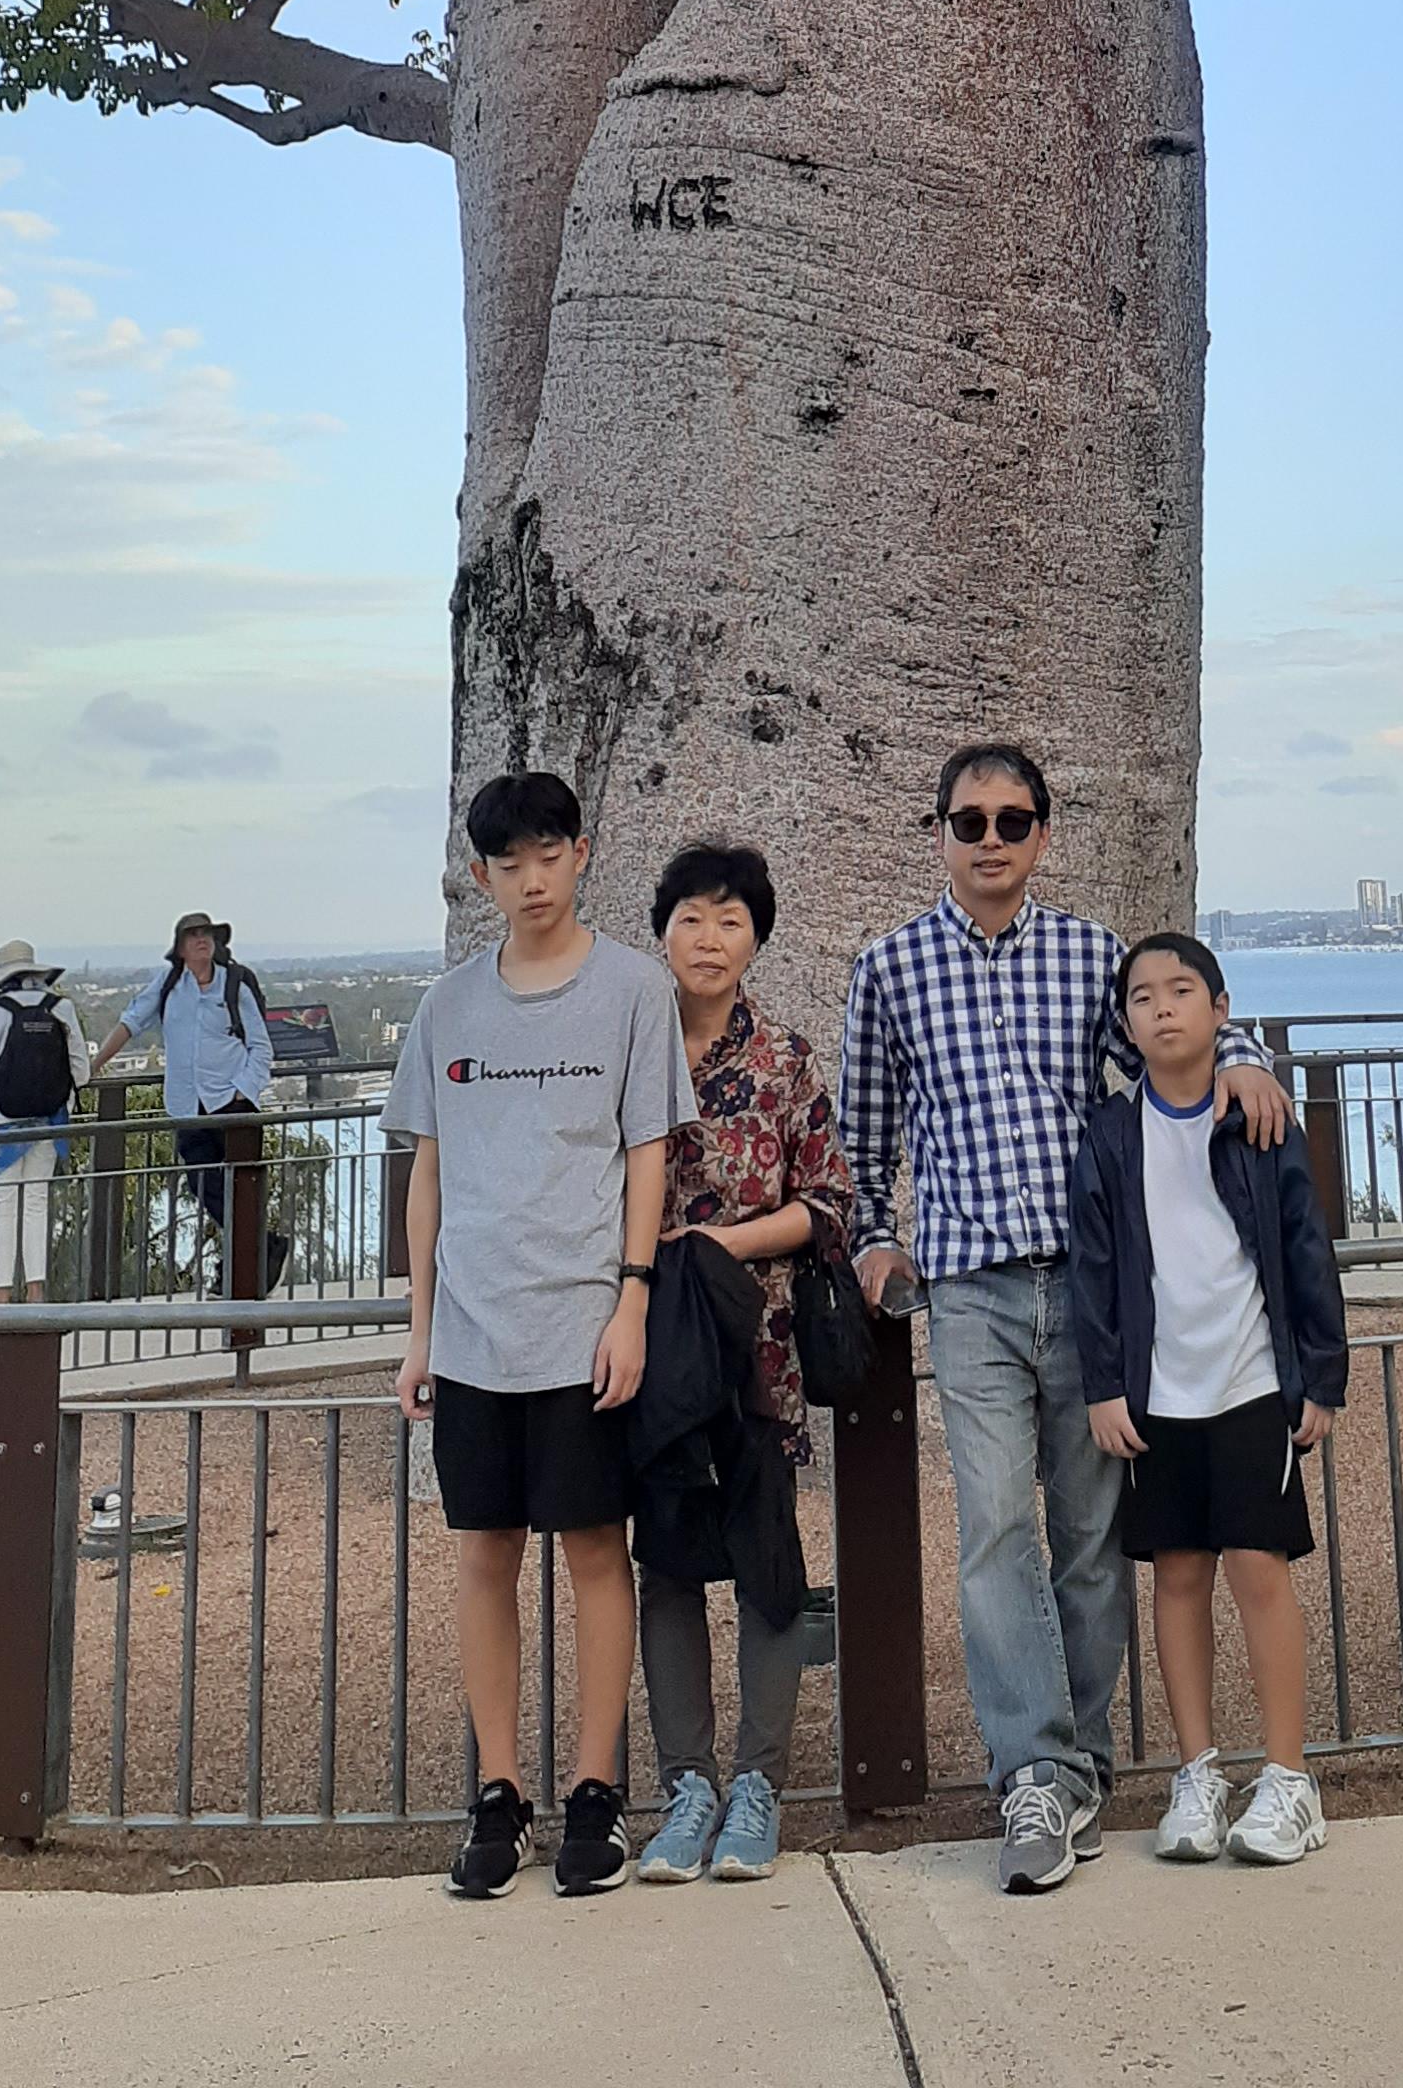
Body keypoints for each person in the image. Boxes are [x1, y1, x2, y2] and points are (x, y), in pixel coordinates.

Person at [838, 741, 1293, 1893]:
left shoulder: (1093, 958)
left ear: (1042, 834)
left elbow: (1170, 1029)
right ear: (939, 832)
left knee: (1092, 1542)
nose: (990, 839)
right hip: (973, 1292)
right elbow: (863, 1141)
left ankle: (1083, 1766)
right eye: (969, 821)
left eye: (1012, 820)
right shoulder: (888, 968)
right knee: (996, 1531)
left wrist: (1244, 1055)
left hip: (1095, 1287)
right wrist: (875, 1239)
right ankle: (1034, 1772)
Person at [388, 772, 691, 1904]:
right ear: (481, 876)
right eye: (508, 862)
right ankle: (499, 1792)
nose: (532, 879)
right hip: (472, 1331)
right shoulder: (447, 1008)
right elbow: (428, 1174)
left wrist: (632, 1301)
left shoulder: (633, 989)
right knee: (484, 1554)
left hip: (584, 1323)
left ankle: (596, 1791)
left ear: (581, 853)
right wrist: (419, 1332)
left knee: (596, 1550)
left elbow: (649, 1154)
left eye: (549, 854)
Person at [1071, 932, 1347, 1867]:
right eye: (1142, 997)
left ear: (1220, 1011)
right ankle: (1197, 1774)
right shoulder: (1111, 1134)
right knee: (1178, 1576)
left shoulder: (1259, 1118)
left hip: (1250, 1381)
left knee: (1258, 1568)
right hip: (1158, 1393)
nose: (1162, 1008)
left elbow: (1306, 1245)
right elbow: (1096, 1270)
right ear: (1125, 1023)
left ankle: (1289, 1779)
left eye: (1182, 990)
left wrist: (1321, 1374)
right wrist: (1104, 1386)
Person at [635, 842, 853, 1890]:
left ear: (756, 938)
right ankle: (686, 1785)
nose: (709, 939)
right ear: (661, 932)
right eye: (691, 917)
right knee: (669, 1564)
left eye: (730, 921)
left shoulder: (785, 1062)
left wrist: (719, 1246)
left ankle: (759, 1786)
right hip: (653, 1351)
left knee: (768, 1566)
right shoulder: (627, 1051)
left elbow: (830, 1205)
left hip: (759, 1353)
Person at [96, 907, 274, 1276]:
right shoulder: (168, 985)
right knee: (205, 1185)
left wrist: (244, 1090)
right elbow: (131, 1022)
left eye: (206, 933)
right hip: (187, 1105)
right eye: (192, 935)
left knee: (242, 1185)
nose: (201, 940)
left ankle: (248, 1265)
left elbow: (261, 1045)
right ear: (180, 948)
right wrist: (94, 1066)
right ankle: (263, 1251)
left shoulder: (234, 985)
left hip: (230, 1101)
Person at [0, 945, 89, 1304]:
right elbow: (82, 1073)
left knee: (4, 1205)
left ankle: (0, 1295)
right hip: (49, 1120)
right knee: (36, 1201)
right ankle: (36, 1291)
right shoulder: (61, 1009)